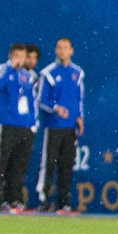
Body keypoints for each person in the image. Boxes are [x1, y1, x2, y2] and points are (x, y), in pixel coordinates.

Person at [36, 37, 83, 214]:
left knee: (67, 165)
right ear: (56, 50)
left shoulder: (77, 73)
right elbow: (41, 100)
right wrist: (56, 108)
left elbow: (79, 98)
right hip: (53, 126)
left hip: (70, 127)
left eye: (66, 48)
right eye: (59, 48)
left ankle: (64, 203)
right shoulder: (48, 73)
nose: (62, 51)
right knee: (48, 164)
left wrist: (80, 117)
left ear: (71, 51)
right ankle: (43, 200)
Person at [0, 42, 38, 211]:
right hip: (7, 124)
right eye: (16, 56)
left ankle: (14, 198)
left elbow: (31, 101)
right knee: (1, 163)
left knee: (19, 165)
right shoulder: (1, 69)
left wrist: (32, 124)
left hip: (24, 126)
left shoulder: (27, 76)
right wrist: (10, 68)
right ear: (10, 56)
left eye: (22, 56)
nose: (19, 59)